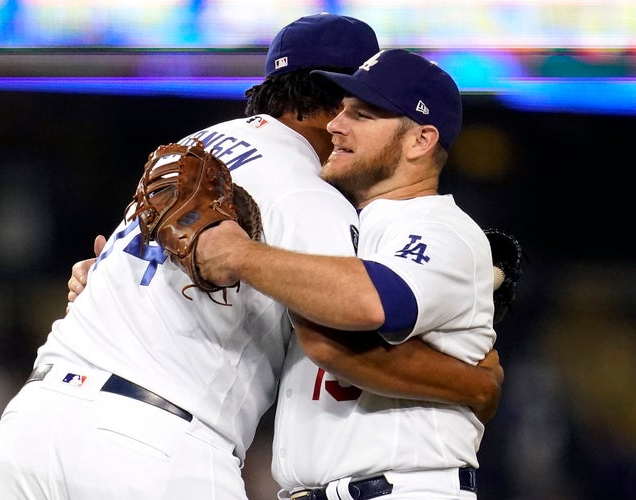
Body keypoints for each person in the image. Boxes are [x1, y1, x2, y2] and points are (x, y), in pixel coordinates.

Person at [0, 15, 501, 500]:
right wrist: (472, 382)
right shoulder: (304, 187)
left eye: (362, 112)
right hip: (146, 439)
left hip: (33, 421)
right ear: (310, 106)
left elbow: (101, 279)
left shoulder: (196, 146)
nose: (344, 123)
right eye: (345, 104)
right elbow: (335, 341)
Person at [194, 48, 494, 499]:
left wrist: (241, 254)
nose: (335, 125)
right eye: (340, 111)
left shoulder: (437, 226)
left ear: (420, 141)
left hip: (405, 488)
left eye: (363, 115)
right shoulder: (334, 227)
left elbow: (376, 303)